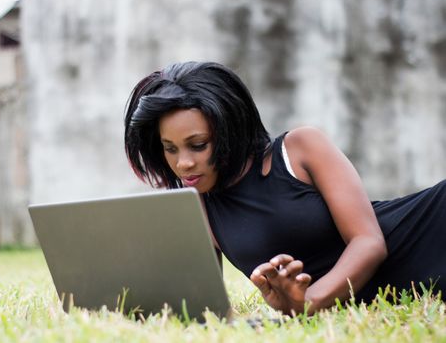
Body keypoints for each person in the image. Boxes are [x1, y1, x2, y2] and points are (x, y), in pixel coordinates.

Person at [123, 61, 446, 315]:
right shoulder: (194, 204)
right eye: (170, 148)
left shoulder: (300, 148)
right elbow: (197, 302)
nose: (184, 163)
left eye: (198, 144)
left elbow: (368, 242)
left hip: (429, 231)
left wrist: (309, 302)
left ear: (230, 129)